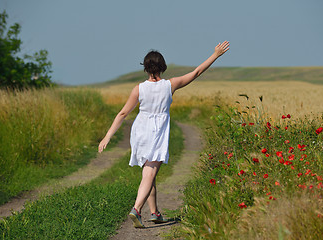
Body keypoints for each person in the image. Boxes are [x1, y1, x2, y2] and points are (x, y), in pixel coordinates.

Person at [98, 41, 230, 228]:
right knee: (150, 172)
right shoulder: (170, 84)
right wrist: (215, 55)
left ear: (145, 68)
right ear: (163, 67)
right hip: (157, 131)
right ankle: (136, 209)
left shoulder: (139, 88)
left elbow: (122, 114)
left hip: (140, 130)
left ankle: (154, 213)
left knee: (148, 173)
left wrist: (108, 136)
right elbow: (197, 72)